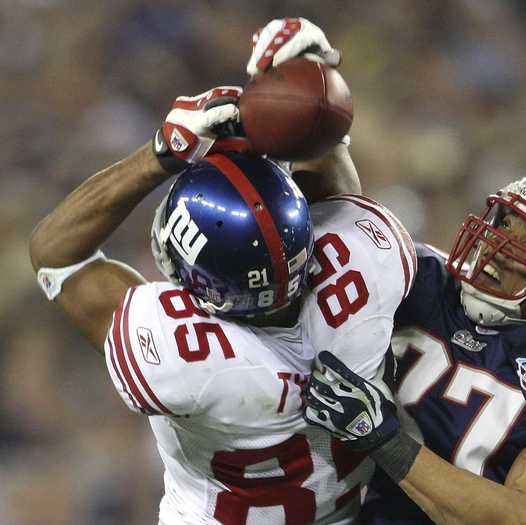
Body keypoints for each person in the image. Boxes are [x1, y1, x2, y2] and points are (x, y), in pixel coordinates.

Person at [257, 19, 526, 525]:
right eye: (505, 223)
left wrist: (383, 438)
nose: (500, 247)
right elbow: (345, 219)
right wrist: (312, 103)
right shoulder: (429, 277)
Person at [29, 37, 416, 525]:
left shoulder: (186, 358)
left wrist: (161, 154)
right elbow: (332, 191)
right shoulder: (367, 262)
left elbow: (55, 255)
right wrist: (304, 94)